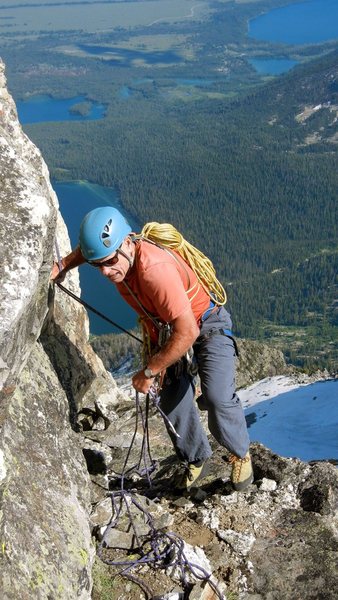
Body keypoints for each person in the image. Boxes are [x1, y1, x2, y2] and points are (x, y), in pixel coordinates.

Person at [51, 207, 253, 492]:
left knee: (218, 398)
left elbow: (188, 331)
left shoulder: (153, 271)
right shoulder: (114, 253)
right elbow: (90, 251)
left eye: (109, 262)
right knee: (169, 395)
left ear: (125, 243)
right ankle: (196, 457)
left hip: (205, 323)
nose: (106, 272)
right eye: (99, 266)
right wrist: (62, 266)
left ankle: (240, 452)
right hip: (166, 328)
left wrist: (149, 370)